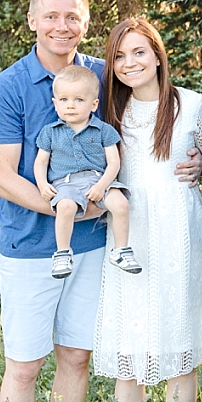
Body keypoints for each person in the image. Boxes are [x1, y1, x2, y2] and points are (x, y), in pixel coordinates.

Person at [0, 0, 200, 402]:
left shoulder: (105, 77)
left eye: (72, 17)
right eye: (51, 17)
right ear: (32, 20)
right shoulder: (7, 87)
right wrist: (66, 207)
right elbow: (2, 176)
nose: (62, 26)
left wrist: (198, 156)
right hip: (31, 247)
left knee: (76, 356)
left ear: (84, 22)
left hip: (96, 246)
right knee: (25, 363)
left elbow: (155, 120)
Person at [94, 17, 202, 402]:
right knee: (131, 356)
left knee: (179, 350)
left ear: (157, 54)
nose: (130, 63)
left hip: (181, 238)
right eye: (119, 56)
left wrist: (201, 162)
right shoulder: (111, 112)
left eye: (139, 52)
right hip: (131, 238)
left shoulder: (189, 105)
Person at [33, 65, 139, 279]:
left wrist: (101, 186)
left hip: (99, 179)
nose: (70, 106)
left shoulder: (104, 131)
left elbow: (114, 163)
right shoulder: (50, 133)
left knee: (120, 204)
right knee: (64, 207)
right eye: (64, 100)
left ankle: (120, 251)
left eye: (78, 100)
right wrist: (42, 184)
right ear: (55, 104)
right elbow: (41, 162)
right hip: (66, 183)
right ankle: (62, 253)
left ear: (94, 104)